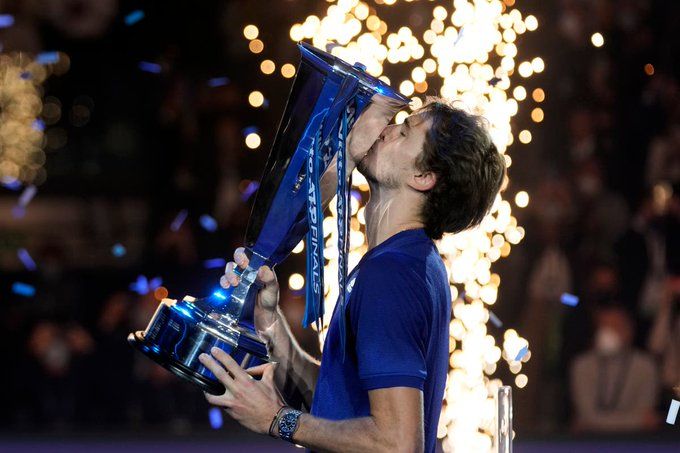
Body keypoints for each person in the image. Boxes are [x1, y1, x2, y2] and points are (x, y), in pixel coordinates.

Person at [197, 98, 506, 452]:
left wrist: (276, 418)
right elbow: (339, 405)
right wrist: (271, 325)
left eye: (403, 132)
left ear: (423, 177)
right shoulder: (406, 261)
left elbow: (399, 444)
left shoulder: (392, 274)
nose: (386, 130)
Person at [570, 305, 659, 432]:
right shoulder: (581, 365)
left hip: (635, 441)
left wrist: (594, 422)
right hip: (590, 441)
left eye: (614, 326)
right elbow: (586, 415)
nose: (607, 332)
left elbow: (645, 416)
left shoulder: (645, 366)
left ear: (629, 331)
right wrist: (635, 421)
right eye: (603, 327)